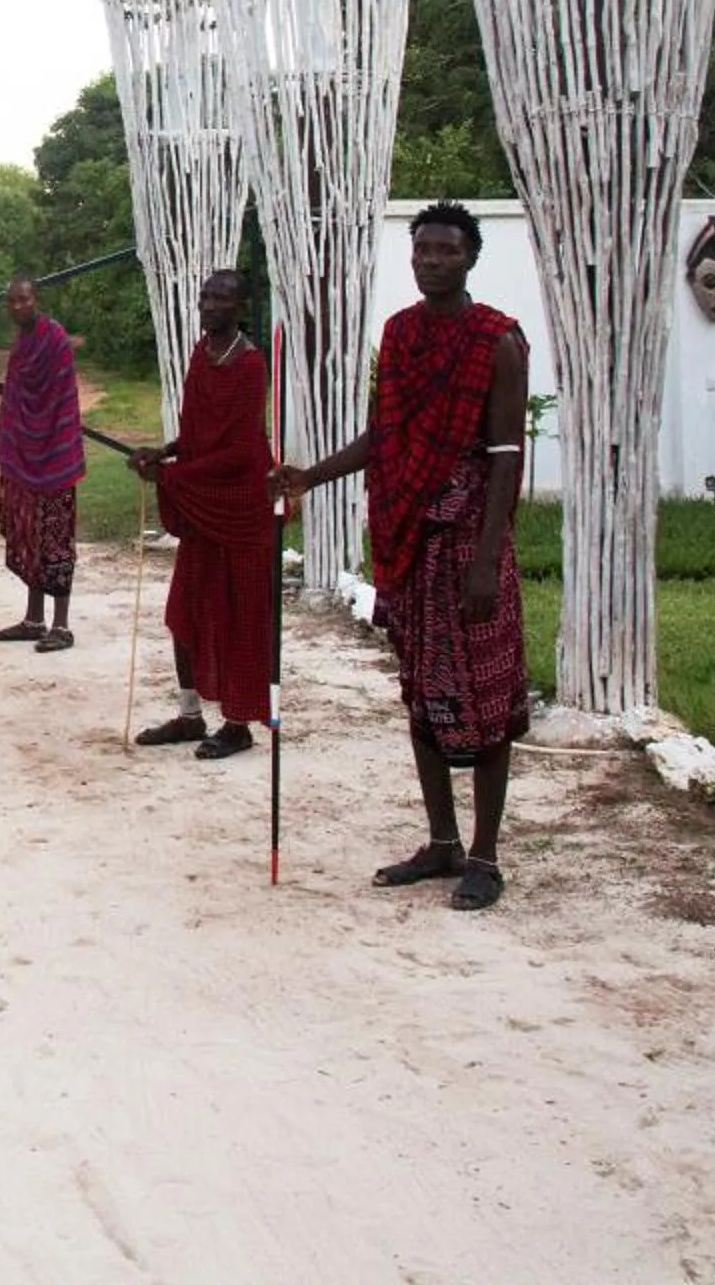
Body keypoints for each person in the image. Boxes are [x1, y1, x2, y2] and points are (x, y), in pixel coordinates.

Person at [273, 202, 529, 913]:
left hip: (470, 542)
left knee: (485, 701)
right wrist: (308, 475)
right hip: (412, 540)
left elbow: (507, 459)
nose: (432, 260)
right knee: (422, 692)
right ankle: (441, 841)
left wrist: (486, 561)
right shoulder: (401, 335)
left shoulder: (496, 342)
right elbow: (382, 437)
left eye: (447, 250)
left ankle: (485, 854)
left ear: (470, 258)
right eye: (423, 250)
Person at [126, 270, 276, 761]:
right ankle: (190, 715)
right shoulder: (200, 352)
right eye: (205, 296)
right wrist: (164, 453)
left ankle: (238, 724)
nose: (209, 305)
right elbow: (195, 434)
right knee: (184, 610)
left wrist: (172, 477)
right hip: (201, 502)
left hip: (240, 505)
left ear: (240, 307)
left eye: (221, 299)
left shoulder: (251, 366)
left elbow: (240, 450)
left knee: (240, 614)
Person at [0, 274, 86, 651]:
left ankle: (62, 626)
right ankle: (34, 619)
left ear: (35, 298)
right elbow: (25, 391)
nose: (19, 306)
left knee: (55, 539)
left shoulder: (54, 339)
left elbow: (57, 396)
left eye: (24, 299)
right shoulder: (21, 343)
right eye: (12, 302)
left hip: (55, 458)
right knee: (28, 535)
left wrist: (43, 438)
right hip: (24, 459)